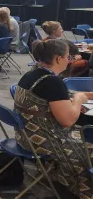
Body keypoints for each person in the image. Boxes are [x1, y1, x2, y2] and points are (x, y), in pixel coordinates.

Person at [14, 39, 93, 198]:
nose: (69, 61)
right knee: (89, 144)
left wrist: (83, 96)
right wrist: (78, 99)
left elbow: (58, 97)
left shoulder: (33, 74)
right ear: (58, 58)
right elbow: (68, 121)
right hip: (44, 141)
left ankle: (59, 177)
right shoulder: (52, 82)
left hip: (24, 136)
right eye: (68, 57)